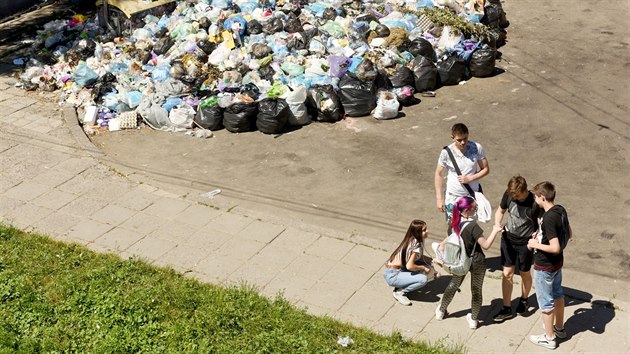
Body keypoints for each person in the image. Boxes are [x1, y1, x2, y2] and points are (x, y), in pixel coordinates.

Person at [434, 196, 502, 328]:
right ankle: (474, 319)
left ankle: (441, 310)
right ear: (466, 210)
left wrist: (441, 245)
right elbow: (486, 245)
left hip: (460, 260)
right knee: (476, 290)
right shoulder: (473, 227)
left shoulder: (453, 223)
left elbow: (450, 238)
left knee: (454, 284)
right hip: (477, 261)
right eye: (475, 208)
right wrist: (495, 230)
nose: (476, 210)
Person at [528, 182, 572, 350]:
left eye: (536, 196)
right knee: (558, 294)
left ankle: (549, 338)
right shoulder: (560, 210)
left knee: (546, 303)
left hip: (544, 266)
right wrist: (541, 235)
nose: (534, 198)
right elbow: (569, 233)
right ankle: (559, 329)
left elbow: (554, 247)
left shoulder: (547, 218)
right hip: (557, 263)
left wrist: (535, 244)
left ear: (543, 197)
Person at [492, 176, 541, 322]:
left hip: (525, 243)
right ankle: (506, 307)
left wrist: (537, 234)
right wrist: (497, 223)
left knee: (525, 273)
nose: (514, 198)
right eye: (512, 195)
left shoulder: (534, 202)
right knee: (507, 273)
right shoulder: (509, 194)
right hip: (508, 238)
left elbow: (541, 222)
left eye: (517, 196)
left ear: (525, 190)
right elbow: (500, 211)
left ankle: (524, 299)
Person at [434, 123, 490, 234]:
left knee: (469, 229)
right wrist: (439, 199)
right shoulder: (446, 153)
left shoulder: (476, 148)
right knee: (453, 227)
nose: (463, 142)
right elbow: (438, 174)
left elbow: (486, 169)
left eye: (465, 138)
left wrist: (471, 178)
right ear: (453, 137)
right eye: (459, 140)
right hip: (453, 197)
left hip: (470, 197)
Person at [384, 219, 442, 306]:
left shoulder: (415, 240)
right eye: (424, 230)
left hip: (397, 270)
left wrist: (433, 260)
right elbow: (410, 266)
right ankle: (399, 292)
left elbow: (419, 257)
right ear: (417, 233)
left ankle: (403, 283)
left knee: (428, 265)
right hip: (393, 275)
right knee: (423, 279)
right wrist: (423, 268)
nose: (427, 231)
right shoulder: (416, 245)